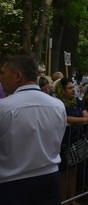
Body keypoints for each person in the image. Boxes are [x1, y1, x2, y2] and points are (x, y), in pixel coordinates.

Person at [0, 55, 67, 205]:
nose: (1, 77)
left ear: (17, 76)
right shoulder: (58, 105)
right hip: (49, 178)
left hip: (12, 183)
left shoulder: (4, 107)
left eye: (3, 73)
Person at [55, 77, 88, 204]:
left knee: (73, 170)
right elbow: (66, 118)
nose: (73, 90)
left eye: (73, 87)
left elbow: (85, 114)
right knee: (64, 173)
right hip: (64, 141)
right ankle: (63, 200)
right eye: (69, 88)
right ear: (62, 90)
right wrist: (86, 120)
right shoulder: (59, 103)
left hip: (76, 139)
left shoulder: (77, 101)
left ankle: (72, 197)